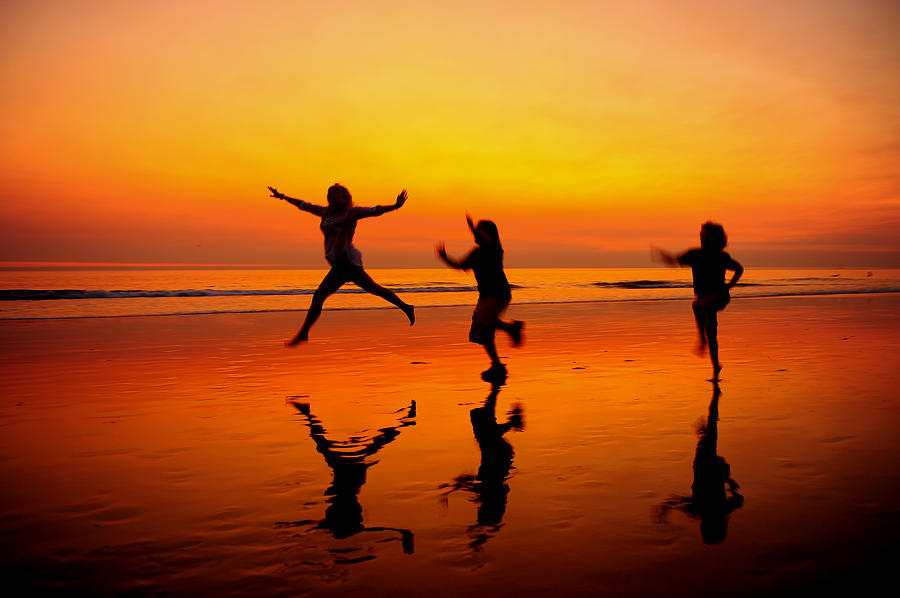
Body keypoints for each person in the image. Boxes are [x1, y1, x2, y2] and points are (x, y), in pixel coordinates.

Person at [268, 184, 415, 345]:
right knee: (376, 290)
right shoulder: (325, 212)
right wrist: (283, 196)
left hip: (345, 264)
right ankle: (406, 307)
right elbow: (303, 205)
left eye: (336, 191)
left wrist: (395, 206)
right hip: (343, 264)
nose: (332, 192)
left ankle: (303, 333)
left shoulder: (350, 212)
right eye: (330, 191)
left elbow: (375, 210)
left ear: (345, 197)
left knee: (319, 296)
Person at [437, 215, 523, 381]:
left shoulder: (494, 249)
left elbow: (484, 241)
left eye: (479, 231)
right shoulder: (480, 252)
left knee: (484, 320)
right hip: (485, 295)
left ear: (488, 234)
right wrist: (445, 257)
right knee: (481, 333)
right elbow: (460, 266)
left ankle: (512, 329)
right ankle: (497, 365)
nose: (476, 234)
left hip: (498, 293)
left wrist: (444, 257)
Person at [655, 222, 744, 380]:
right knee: (711, 332)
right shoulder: (695, 254)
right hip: (704, 296)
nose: (704, 239)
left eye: (708, 237)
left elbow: (739, 269)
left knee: (696, 305)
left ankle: (700, 339)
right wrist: (664, 257)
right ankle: (716, 366)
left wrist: (729, 285)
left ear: (717, 239)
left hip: (719, 296)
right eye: (702, 236)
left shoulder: (721, 256)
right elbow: (675, 261)